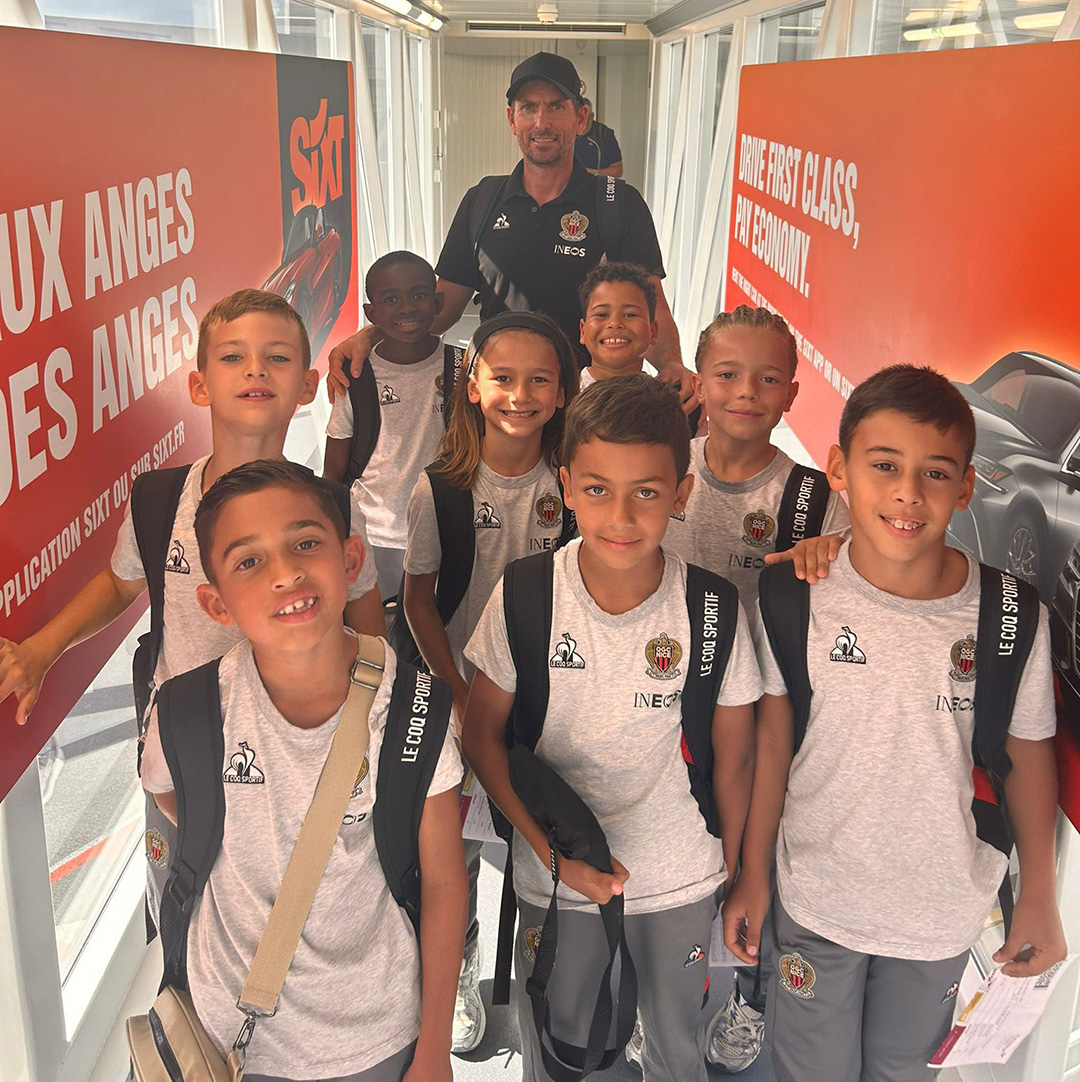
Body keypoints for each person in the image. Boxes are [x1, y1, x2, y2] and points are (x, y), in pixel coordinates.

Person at [725, 364, 1066, 1082]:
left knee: (903, 1074)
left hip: (939, 915)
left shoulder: (1010, 616)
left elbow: (1029, 753)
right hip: (816, 900)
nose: (909, 493)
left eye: (936, 473)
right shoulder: (794, 594)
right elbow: (772, 745)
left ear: (965, 487)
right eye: (885, 465)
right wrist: (753, 874)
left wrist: (1039, 895)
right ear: (839, 469)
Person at [0, 289, 383, 910]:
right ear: (200, 386)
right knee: (186, 904)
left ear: (308, 386)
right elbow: (121, 582)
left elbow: (366, 622)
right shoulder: (159, 499)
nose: (256, 370)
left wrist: (370, 722)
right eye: (233, 357)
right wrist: (42, 651)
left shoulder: (332, 510)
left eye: (278, 357)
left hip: (298, 754)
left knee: (293, 909)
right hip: (181, 755)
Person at [462, 375, 764, 1082]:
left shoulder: (711, 607)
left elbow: (735, 759)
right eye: (598, 489)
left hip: (683, 878)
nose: (621, 516)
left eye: (647, 493)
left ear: (681, 495)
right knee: (564, 1051)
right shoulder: (527, 593)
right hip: (559, 881)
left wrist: (740, 872)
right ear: (567, 486)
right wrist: (551, 856)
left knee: (675, 1051)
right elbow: (482, 739)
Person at [139, 460, 467, 1082]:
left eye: (306, 544)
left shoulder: (412, 708)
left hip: (375, 1039)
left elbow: (446, 883)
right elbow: (167, 792)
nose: (285, 573)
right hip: (229, 1040)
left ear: (351, 560)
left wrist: (434, 1049)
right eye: (249, 561)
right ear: (216, 604)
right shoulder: (187, 710)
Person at [402, 310, 579, 1054]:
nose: (521, 394)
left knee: (542, 836)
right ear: (473, 386)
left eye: (540, 380)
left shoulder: (574, 483)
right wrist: (457, 690)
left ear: (564, 393)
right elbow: (417, 599)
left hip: (544, 702)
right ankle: (459, 965)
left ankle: (554, 975)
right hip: (459, 701)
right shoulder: (439, 488)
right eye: (503, 377)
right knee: (456, 850)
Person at [326, 52, 694, 405]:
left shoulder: (618, 204)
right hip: (501, 401)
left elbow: (650, 306)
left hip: (588, 402)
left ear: (581, 118)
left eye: (556, 106)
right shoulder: (482, 200)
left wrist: (672, 364)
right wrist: (371, 335)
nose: (541, 122)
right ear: (511, 119)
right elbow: (441, 308)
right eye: (528, 107)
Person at [323, 251, 461, 601]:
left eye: (418, 295)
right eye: (390, 299)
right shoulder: (355, 376)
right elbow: (334, 469)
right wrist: (332, 532)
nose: (406, 308)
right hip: (374, 533)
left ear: (437, 302)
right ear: (371, 313)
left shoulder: (463, 367)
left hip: (445, 531)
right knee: (377, 625)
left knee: (436, 621)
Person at [574, 97, 623, 177]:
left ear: (592, 116)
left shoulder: (604, 134)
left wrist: (593, 173)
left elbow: (617, 170)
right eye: (577, 119)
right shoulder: (566, 132)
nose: (581, 123)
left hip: (595, 181)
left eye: (585, 119)